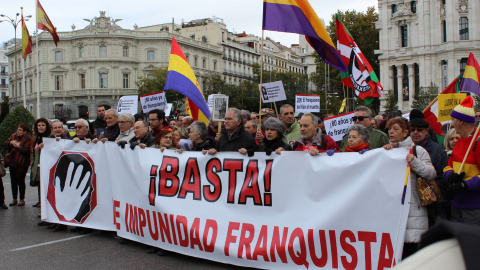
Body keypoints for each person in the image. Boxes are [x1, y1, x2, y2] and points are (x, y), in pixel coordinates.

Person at [383, 117, 437, 259]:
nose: (391, 132)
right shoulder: (386, 151)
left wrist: (414, 161)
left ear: (405, 132)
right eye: (389, 129)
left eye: (396, 129)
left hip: (414, 209)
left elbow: (431, 173)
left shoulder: (418, 150)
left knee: (412, 251)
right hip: (393, 208)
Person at [443, 96, 480, 226]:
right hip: (457, 203)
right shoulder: (459, 142)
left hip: (474, 207)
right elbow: (448, 166)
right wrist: (450, 175)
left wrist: (465, 185)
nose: (451, 123)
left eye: (453, 119)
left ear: (461, 122)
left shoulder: (478, 141)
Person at [410, 116, 449, 225]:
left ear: (427, 131)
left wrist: (430, 192)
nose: (415, 132)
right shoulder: (405, 148)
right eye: (413, 130)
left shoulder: (437, 150)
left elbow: (443, 176)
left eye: (419, 130)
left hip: (430, 203)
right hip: (411, 202)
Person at [3, 123, 32, 207]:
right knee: (13, 181)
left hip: (23, 163)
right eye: (17, 129)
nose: (18, 131)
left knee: (21, 181)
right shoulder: (13, 136)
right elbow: (5, 144)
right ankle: (14, 199)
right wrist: (10, 143)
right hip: (13, 162)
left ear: (25, 132)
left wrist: (18, 146)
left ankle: (22, 199)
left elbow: (27, 150)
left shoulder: (28, 138)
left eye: (20, 130)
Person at [30, 118, 52, 209]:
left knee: (46, 186)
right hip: (38, 165)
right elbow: (34, 150)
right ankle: (40, 201)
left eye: (43, 125)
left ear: (46, 126)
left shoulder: (50, 137)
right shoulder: (37, 137)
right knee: (39, 184)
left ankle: (46, 204)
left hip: (47, 165)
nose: (41, 127)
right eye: (39, 125)